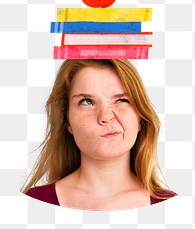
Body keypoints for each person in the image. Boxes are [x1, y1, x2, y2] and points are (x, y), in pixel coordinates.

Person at [21, 59, 176, 210]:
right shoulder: (32, 202)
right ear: (67, 121)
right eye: (87, 102)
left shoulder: (173, 207)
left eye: (121, 100)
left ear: (140, 118)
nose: (105, 117)